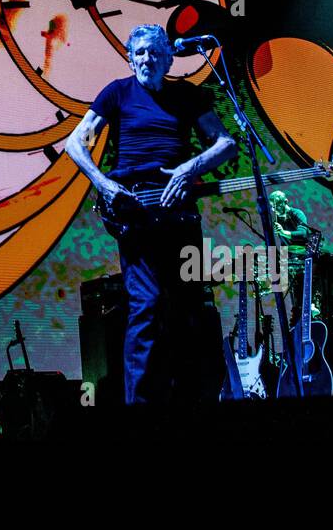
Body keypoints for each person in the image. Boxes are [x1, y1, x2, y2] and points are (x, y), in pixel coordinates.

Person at [65, 24, 237, 405]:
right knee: (147, 306)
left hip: (179, 215)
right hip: (135, 214)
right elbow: (75, 143)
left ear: (169, 58)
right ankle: (140, 406)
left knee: (190, 310)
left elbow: (226, 144)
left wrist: (189, 169)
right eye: (139, 52)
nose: (147, 58)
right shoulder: (117, 94)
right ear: (130, 57)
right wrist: (104, 183)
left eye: (155, 52)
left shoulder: (186, 96)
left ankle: (192, 398)